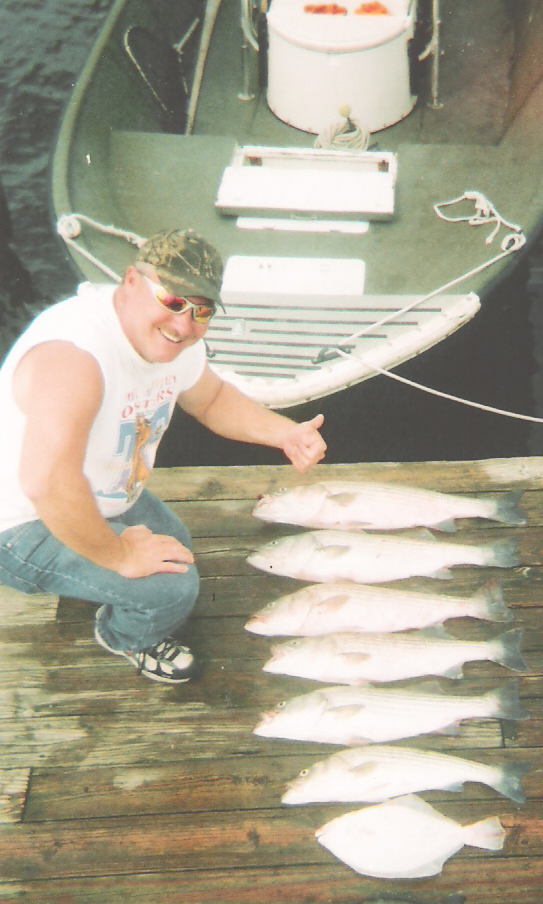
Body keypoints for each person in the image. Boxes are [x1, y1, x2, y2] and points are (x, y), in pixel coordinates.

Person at [0, 230, 326, 684]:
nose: (183, 325)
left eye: (202, 311)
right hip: (19, 525)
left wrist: (285, 433)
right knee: (171, 591)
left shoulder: (174, 345)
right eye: (172, 301)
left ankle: (100, 576)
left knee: (177, 548)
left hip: (102, 494)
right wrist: (118, 556)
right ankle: (123, 637)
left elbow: (211, 400)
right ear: (131, 281)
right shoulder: (73, 356)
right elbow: (46, 484)